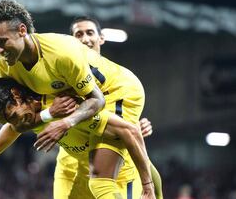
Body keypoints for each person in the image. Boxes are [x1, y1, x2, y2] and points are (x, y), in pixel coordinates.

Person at [0, 0, 154, 198]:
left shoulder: (61, 54)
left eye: (1, 42)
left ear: (22, 30)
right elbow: (17, 121)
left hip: (115, 92)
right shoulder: (7, 66)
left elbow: (97, 100)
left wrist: (65, 122)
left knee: (101, 182)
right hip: (77, 107)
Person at [0, 78, 150, 199]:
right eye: (9, 121)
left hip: (119, 174)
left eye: (12, 117)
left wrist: (147, 183)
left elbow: (127, 130)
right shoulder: (26, 117)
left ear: (16, 96)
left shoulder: (67, 107)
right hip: (82, 172)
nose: (16, 124)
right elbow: (12, 129)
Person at [52, 16, 163, 199]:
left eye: (90, 32)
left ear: (101, 38)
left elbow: (124, 124)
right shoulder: (64, 76)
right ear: (71, 41)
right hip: (71, 167)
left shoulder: (116, 79)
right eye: (78, 34)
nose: (85, 39)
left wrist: (133, 126)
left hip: (113, 169)